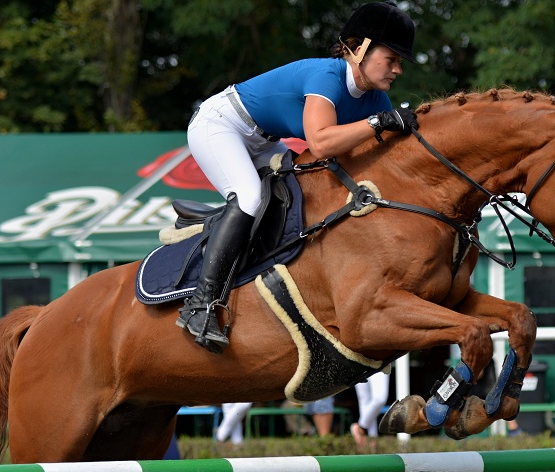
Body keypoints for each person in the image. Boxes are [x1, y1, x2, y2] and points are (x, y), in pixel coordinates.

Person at [178, 1, 419, 352]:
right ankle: (199, 304)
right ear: (360, 48)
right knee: (250, 198)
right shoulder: (327, 76)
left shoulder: (376, 98)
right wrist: (378, 123)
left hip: (264, 142)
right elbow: (321, 143)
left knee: (303, 195)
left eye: (400, 62)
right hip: (222, 124)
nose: (398, 70)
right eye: (392, 58)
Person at [351, 371, 390, 449]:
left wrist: (363, 426)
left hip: (380, 361)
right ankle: (372, 442)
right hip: (358, 362)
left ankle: (361, 428)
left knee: (380, 398)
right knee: (365, 402)